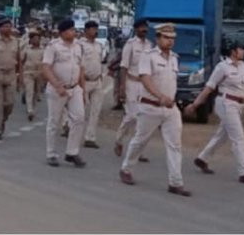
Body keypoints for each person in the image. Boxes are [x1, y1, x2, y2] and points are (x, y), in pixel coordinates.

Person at [120, 22, 190, 195]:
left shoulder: (174, 57)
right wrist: (160, 97)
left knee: (175, 145)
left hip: (170, 108)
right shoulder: (148, 56)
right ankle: (126, 169)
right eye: (166, 37)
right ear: (158, 38)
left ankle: (175, 182)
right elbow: (145, 79)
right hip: (150, 106)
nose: (170, 41)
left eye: (172, 38)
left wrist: (170, 99)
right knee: (140, 140)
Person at [186, 42, 244, 184]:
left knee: (222, 135)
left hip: (239, 104)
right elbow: (209, 88)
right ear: (233, 51)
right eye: (241, 49)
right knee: (238, 138)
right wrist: (195, 105)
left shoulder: (243, 66)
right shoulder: (222, 67)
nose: (243, 51)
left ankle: (202, 158)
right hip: (226, 103)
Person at [42, 18, 87, 168]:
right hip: (58, 89)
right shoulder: (53, 46)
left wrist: (83, 88)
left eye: (74, 29)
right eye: (71, 30)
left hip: (74, 88)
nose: (74, 32)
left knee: (79, 118)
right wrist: (56, 84)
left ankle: (72, 152)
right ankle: (51, 153)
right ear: (63, 32)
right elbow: (46, 67)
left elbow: (80, 68)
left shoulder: (78, 46)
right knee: (54, 121)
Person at [114, 18, 152, 156]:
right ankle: (119, 140)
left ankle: (137, 150)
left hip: (144, 85)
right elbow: (124, 67)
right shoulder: (130, 44)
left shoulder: (149, 45)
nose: (144, 30)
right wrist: (122, 88)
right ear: (136, 29)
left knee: (142, 117)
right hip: (131, 83)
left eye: (146, 27)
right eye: (142, 27)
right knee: (131, 115)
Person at [0, 16, 22, 139]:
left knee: (9, 103)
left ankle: (3, 119)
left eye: (9, 26)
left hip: (11, 74)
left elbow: (19, 60)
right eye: (5, 26)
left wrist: (20, 77)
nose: (8, 28)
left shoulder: (16, 41)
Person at [81, 19, 107, 149]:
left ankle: (90, 137)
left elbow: (100, 62)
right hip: (84, 81)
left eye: (96, 29)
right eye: (92, 29)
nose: (95, 32)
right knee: (80, 111)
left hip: (97, 81)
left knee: (95, 110)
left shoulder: (99, 45)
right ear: (86, 31)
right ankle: (69, 128)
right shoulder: (80, 45)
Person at [22, 29, 45, 121]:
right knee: (29, 91)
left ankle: (33, 107)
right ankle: (29, 110)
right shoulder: (26, 49)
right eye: (34, 39)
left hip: (39, 73)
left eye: (38, 39)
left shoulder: (43, 50)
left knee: (36, 92)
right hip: (28, 72)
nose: (36, 40)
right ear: (30, 40)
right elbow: (22, 60)